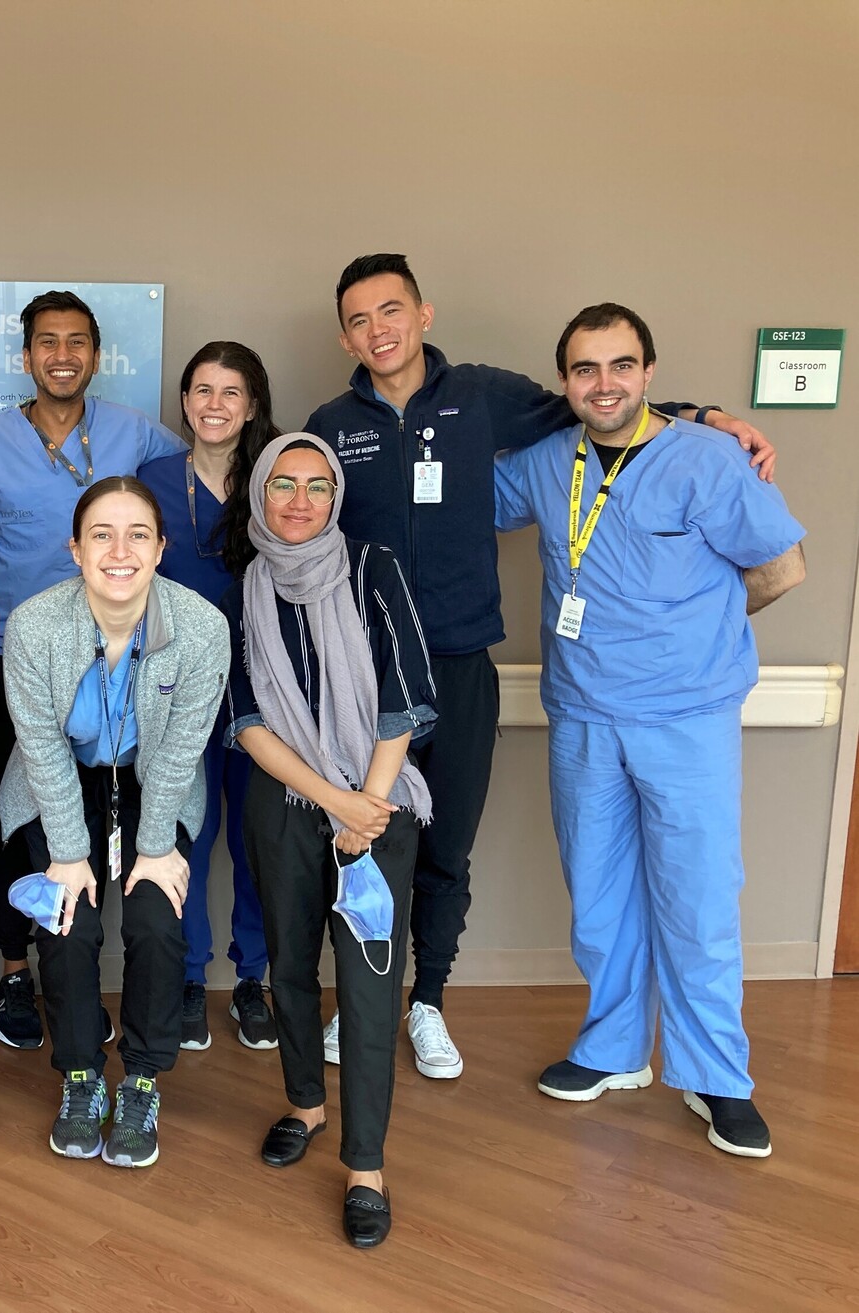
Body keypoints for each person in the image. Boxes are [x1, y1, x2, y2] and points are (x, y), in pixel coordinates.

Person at [305, 253, 777, 1080]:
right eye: (358, 318)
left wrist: (704, 415)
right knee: (368, 848)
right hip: (368, 673)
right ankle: (372, 1002)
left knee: (453, 849)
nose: (376, 329)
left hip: (469, 670)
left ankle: (430, 1004)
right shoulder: (331, 421)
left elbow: (604, 408)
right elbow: (299, 521)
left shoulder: (484, 397)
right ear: (344, 332)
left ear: (424, 314)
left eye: (391, 311)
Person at [494, 304, 805, 1159]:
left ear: (650, 371)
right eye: (586, 370)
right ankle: (614, 1048)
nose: (604, 384)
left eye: (620, 366)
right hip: (584, 715)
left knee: (697, 902)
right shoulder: (544, 462)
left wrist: (701, 633)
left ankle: (717, 1078)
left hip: (687, 719)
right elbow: (463, 500)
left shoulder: (708, 459)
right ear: (565, 383)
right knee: (598, 896)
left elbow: (784, 564)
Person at [0, 291, 186, 1050]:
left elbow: (204, 470)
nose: (62, 355)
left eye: (76, 341)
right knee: (13, 822)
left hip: (117, 665)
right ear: (26, 357)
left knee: (108, 821)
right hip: (6, 662)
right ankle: (17, 968)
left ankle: (83, 980)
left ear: (94, 353)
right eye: (46, 342)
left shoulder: (134, 433)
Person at [224, 436, 437, 1249]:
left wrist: (368, 807)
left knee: (370, 982)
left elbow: (408, 691)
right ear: (262, 492)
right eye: (285, 483)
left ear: (336, 494)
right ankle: (306, 1103)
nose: (301, 500)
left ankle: (366, 1165)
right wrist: (334, 801)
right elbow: (246, 718)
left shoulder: (371, 565)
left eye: (318, 485)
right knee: (287, 964)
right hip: (289, 803)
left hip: (379, 805)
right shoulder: (248, 584)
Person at [0, 477, 227, 1169]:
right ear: (76, 549)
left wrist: (154, 848)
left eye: (137, 535)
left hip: (155, 783)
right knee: (69, 919)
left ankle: (143, 1080)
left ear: (161, 548)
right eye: (101, 534)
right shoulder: (35, 624)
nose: (119, 550)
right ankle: (79, 1076)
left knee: (158, 920)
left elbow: (181, 754)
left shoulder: (201, 627)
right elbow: (39, 746)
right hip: (58, 783)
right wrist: (70, 854)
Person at [139, 342, 280, 1051]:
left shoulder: (278, 477)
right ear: (185, 401)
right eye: (201, 389)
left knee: (258, 840)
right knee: (184, 835)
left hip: (266, 688)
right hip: (178, 686)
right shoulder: (153, 478)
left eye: (231, 391)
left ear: (252, 403)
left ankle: (251, 977)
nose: (214, 404)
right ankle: (190, 976)